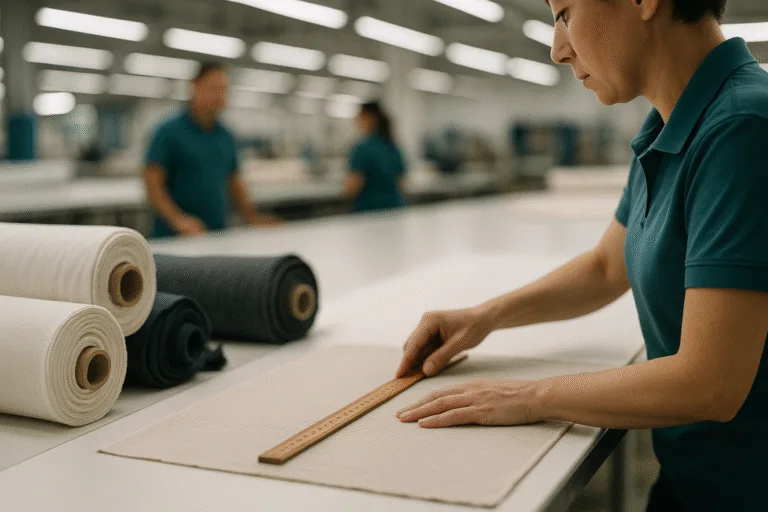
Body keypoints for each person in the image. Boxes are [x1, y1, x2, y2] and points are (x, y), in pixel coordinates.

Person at [395, 1, 768, 510]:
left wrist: (527, 396)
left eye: (564, 12)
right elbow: (606, 267)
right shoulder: (670, 126)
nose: (557, 50)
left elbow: (711, 381)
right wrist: (482, 317)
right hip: (696, 479)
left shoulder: (743, 128)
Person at [144, 62, 279, 238]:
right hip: (174, 238)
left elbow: (234, 181)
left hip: (217, 234)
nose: (219, 95)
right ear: (194, 87)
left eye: (223, 90)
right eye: (213, 88)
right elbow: (152, 183)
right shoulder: (168, 132)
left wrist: (252, 218)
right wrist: (178, 220)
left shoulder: (226, 136)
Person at [344, 101, 407, 213]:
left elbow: (352, 188)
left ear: (370, 118)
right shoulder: (392, 146)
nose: (356, 120)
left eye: (359, 116)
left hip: (370, 213)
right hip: (395, 210)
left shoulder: (363, 149)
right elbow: (403, 182)